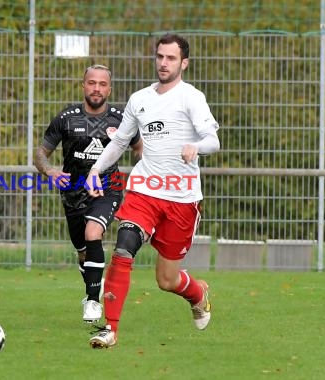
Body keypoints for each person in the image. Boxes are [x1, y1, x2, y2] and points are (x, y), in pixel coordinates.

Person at [85, 34, 220, 348]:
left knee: (167, 280)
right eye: (160, 56)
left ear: (183, 63)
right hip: (144, 191)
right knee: (123, 246)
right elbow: (120, 141)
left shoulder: (192, 97)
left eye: (171, 58)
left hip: (182, 198)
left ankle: (198, 293)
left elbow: (213, 141)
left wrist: (196, 147)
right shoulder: (140, 99)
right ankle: (110, 329)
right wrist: (95, 169)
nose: (163, 63)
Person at [35, 64, 143, 323]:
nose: (97, 88)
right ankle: (93, 286)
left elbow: (140, 149)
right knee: (83, 250)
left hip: (108, 188)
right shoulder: (66, 118)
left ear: (110, 88)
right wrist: (50, 171)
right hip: (73, 192)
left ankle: (94, 301)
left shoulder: (120, 119)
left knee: (93, 232)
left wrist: (141, 178)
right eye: (92, 83)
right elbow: (40, 153)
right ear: (83, 85)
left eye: (102, 84)